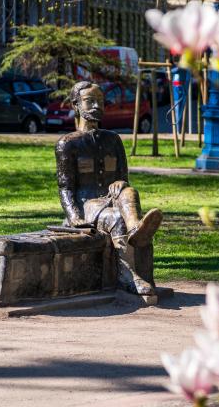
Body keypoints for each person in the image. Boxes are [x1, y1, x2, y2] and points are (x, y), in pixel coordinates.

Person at [55, 81, 163, 297]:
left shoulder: (113, 140)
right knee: (116, 218)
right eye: (90, 101)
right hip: (87, 206)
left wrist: (121, 183)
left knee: (130, 191)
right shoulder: (67, 144)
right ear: (76, 105)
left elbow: (124, 177)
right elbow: (65, 187)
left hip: (111, 199)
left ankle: (136, 231)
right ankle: (127, 276)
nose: (96, 106)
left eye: (101, 101)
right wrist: (74, 216)